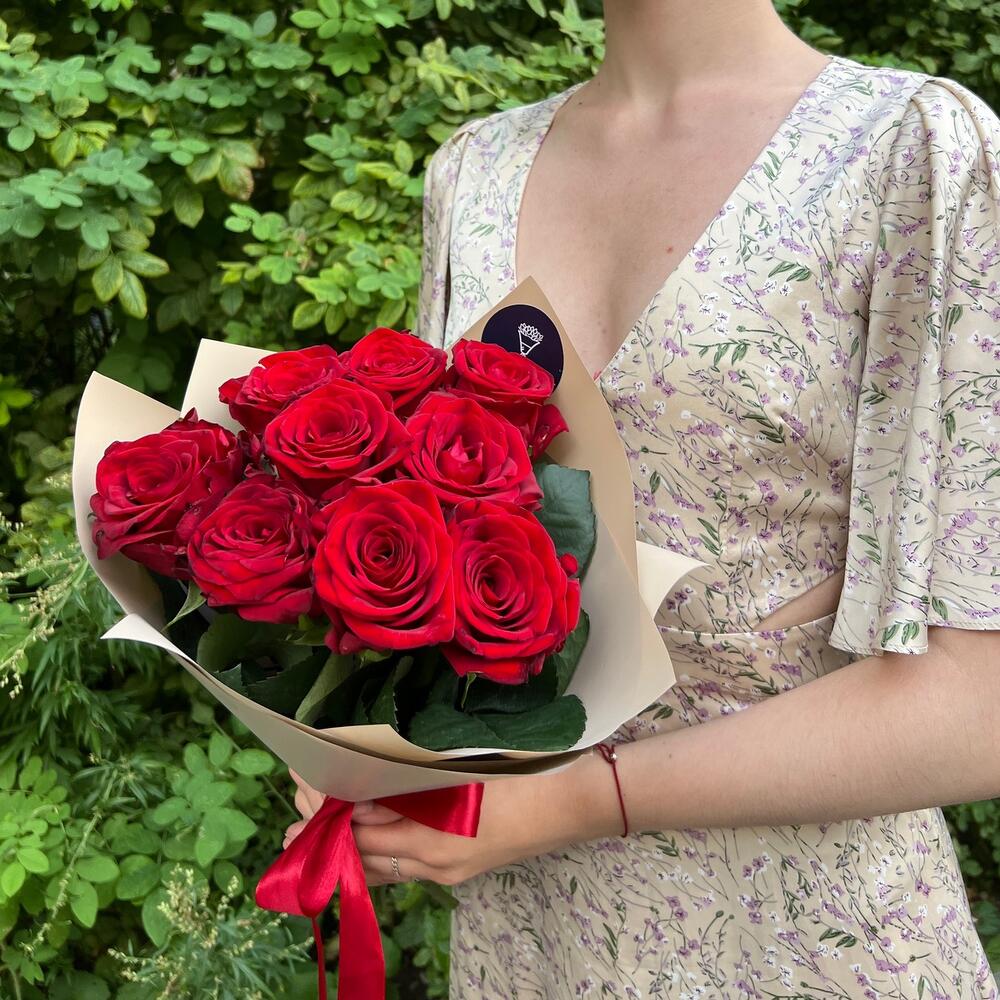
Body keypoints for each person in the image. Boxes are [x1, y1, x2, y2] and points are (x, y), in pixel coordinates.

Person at [287, 1, 1000, 996]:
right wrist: (362, 738)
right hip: (534, 938)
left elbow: (978, 701)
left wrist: (577, 800)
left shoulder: (910, 153)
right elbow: (444, 554)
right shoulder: (475, 171)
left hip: (805, 938)